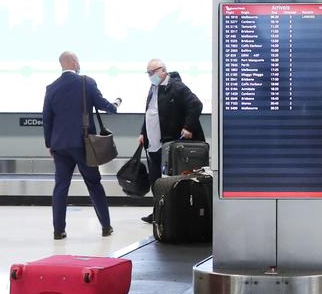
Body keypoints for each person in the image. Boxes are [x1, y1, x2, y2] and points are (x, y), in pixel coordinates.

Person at [42, 51, 121, 240]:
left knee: (60, 187)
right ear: (75, 62)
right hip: (83, 144)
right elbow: (104, 105)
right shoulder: (86, 82)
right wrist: (115, 104)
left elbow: (47, 119)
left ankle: (58, 231)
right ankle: (106, 226)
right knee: (94, 184)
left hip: (60, 146)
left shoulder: (51, 87)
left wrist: (49, 144)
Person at [137, 59, 205, 223]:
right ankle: (158, 213)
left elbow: (196, 104)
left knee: (171, 182)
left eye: (152, 72)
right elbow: (150, 113)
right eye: (148, 73)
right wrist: (142, 132)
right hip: (153, 144)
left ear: (162, 71)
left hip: (170, 145)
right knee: (156, 181)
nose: (150, 76)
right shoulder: (153, 89)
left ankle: (173, 215)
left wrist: (188, 127)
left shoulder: (176, 87)